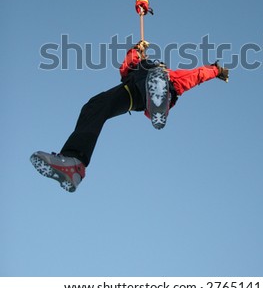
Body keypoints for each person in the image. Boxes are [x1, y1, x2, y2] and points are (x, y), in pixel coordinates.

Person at [30, 40, 229, 192]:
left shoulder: (170, 75)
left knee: (155, 75)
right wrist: (137, 48)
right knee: (95, 105)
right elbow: (126, 64)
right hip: (132, 91)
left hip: (159, 87)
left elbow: (196, 75)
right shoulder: (132, 70)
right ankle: (74, 163)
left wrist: (215, 70)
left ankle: (159, 101)